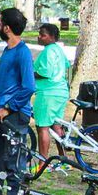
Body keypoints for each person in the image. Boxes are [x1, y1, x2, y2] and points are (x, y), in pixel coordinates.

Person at [0, 6, 35, 195]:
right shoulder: (7, 50)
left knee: (15, 164)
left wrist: (9, 108)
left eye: (0, 21)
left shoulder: (22, 52)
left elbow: (29, 86)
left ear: (7, 28)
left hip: (13, 116)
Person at [31, 22, 71, 158]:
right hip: (61, 92)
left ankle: (43, 162)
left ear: (52, 37)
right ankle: (63, 158)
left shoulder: (48, 51)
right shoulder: (58, 49)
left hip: (48, 93)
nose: (39, 37)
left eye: (43, 35)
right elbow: (66, 64)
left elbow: (45, 72)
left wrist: (29, 74)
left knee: (42, 127)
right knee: (57, 125)